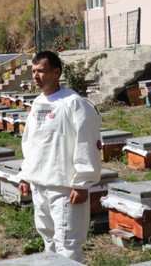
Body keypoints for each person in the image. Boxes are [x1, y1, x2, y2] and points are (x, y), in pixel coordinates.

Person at [17, 50, 102, 263]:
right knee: (48, 238)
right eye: (34, 71)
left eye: (41, 71)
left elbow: (87, 141)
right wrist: (26, 175)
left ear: (56, 72)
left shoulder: (74, 103)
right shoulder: (37, 104)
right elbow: (31, 143)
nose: (36, 76)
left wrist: (82, 183)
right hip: (40, 185)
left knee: (68, 243)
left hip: (65, 188)